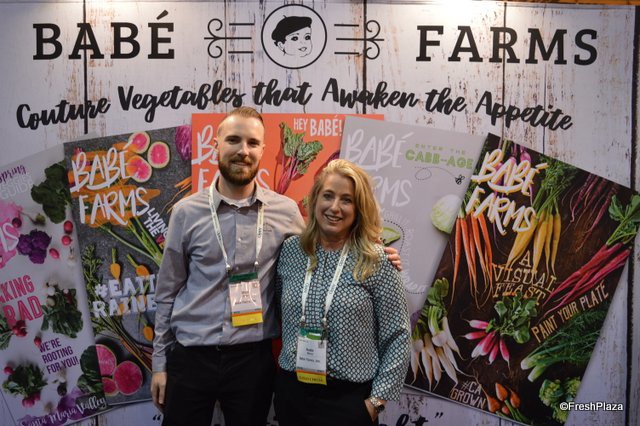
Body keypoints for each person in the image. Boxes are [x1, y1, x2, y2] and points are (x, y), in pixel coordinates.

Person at [151, 107, 401, 426]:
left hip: (251, 362)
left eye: (253, 143)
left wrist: (376, 251)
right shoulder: (186, 212)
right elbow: (167, 293)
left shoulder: (286, 212)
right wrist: (160, 363)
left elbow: (324, 245)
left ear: (263, 151)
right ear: (216, 145)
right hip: (191, 357)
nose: (243, 150)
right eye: (233, 140)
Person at [274, 159, 411, 426]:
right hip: (292, 392)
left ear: (359, 208)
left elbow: (398, 336)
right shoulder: (291, 251)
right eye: (328, 196)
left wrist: (375, 403)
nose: (335, 207)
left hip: (348, 401)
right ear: (315, 200)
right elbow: (280, 309)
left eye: (346, 200)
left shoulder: (377, 261)